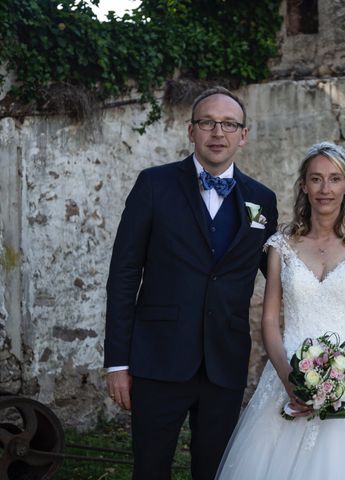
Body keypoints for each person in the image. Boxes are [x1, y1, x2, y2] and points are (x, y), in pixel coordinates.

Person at [216, 142, 345, 479]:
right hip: (289, 370)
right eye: (316, 179)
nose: (325, 189)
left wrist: (335, 380)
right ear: (304, 186)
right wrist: (290, 381)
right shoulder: (280, 245)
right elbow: (270, 321)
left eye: (334, 179)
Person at [103, 86, 278, 480]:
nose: (218, 132)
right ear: (191, 131)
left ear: (243, 135)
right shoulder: (153, 185)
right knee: (150, 468)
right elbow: (124, 274)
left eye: (229, 124)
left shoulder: (262, 200)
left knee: (215, 470)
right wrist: (117, 361)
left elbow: (279, 272)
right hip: (157, 358)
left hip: (225, 360)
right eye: (207, 123)